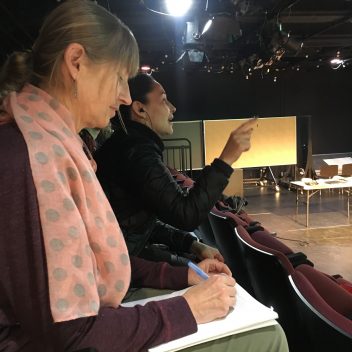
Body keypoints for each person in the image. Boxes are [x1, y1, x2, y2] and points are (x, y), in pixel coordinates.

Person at [0, 1, 288, 351]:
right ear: (76, 62)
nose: (123, 95)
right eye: (119, 77)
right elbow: (72, 334)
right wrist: (189, 307)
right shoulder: (33, 157)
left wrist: (182, 272)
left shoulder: (56, 146)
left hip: (100, 316)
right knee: (269, 339)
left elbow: (104, 261)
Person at [95, 73, 257, 264]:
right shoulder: (137, 153)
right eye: (163, 100)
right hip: (119, 266)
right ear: (139, 108)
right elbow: (186, 214)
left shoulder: (128, 145)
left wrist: (191, 244)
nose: (172, 108)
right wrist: (226, 160)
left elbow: (137, 224)